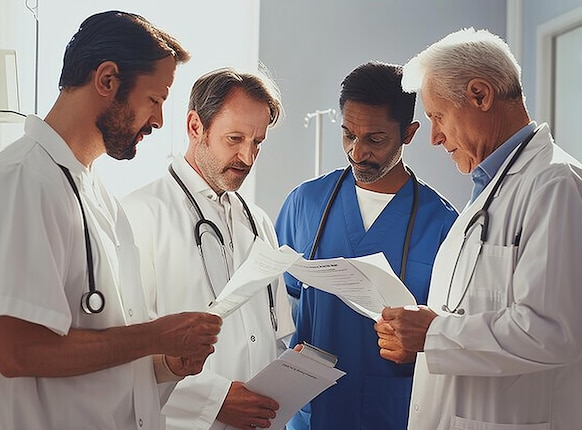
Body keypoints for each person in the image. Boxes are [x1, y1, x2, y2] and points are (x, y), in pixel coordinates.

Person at [377, 28, 582, 430]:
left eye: (438, 117)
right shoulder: (491, 192)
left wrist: (434, 335)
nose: (435, 137)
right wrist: (425, 335)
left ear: (480, 94)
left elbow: (554, 330)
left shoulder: (559, 186)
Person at [0, 11, 223, 430]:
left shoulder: (99, 197)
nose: (158, 120)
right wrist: (156, 336)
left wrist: (166, 363)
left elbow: (103, 345)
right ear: (107, 80)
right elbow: (17, 350)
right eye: (155, 100)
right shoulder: (21, 181)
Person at [275, 61, 458, 430]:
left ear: (409, 133)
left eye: (375, 139)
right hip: (312, 412)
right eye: (348, 135)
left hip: (393, 412)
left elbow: (452, 335)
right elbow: (277, 308)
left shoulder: (442, 224)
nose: (357, 152)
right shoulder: (306, 203)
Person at [122, 67, 295, 430]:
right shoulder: (141, 214)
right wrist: (213, 402)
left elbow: (273, 332)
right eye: (234, 139)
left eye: (257, 142)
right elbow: (127, 345)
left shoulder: (257, 220)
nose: (247, 158)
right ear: (195, 127)